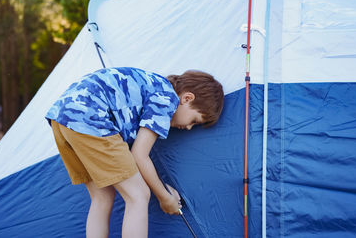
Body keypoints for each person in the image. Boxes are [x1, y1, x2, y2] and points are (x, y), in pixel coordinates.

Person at [46, 67, 224, 238]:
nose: (188, 127)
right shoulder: (167, 97)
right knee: (138, 196)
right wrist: (165, 198)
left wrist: (163, 188)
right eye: (194, 120)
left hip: (62, 118)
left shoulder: (152, 86)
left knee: (102, 197)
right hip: (91, 117)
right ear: (186, 98)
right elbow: (139, 155)